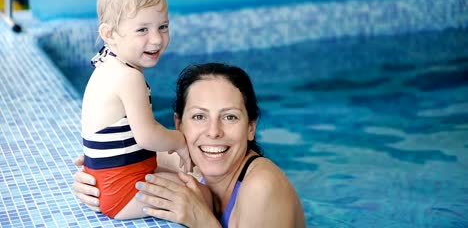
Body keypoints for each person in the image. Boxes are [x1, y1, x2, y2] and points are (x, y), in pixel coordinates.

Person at [74, 63, 306, 227]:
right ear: (179, 125)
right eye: (199, 117)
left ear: (251, 128)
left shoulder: (262, 187)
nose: (214, 132)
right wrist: (96, 178)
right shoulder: (188, 161)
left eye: (230, 117)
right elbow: (130, 160)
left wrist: (200, 219)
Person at [80, 0, 192, 220]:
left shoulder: (109, 64)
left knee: (186, 176)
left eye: (163, 26)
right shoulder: (129, 77)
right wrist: (180, 140)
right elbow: (147, 136)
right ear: (109, 34)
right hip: (123, 192)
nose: (156, 39)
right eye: (142, 29)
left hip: (110, 184)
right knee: (196, 191)